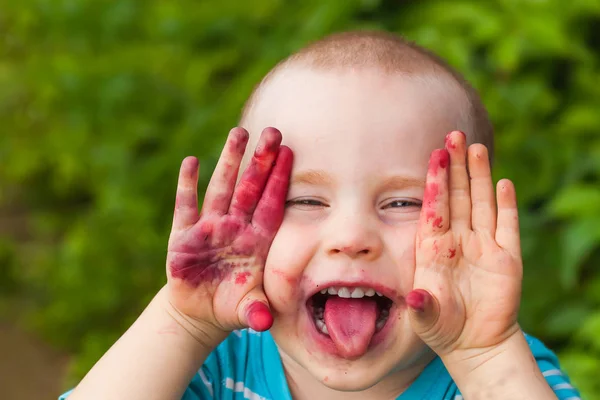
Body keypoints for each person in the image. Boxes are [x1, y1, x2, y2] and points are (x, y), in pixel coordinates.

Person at [61, 31, 581, 400]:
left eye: (403, 202)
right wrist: (182, 323)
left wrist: (485, 358)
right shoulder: (214, 370)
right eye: (304, 201)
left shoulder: (501, 373)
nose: (351, 237)